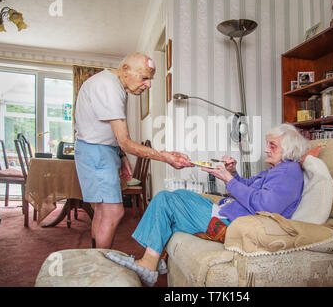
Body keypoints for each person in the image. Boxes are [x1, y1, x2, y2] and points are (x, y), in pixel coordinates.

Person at [105, 123, 311, 286]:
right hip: (227, 210)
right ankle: (155, 255)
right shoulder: (276, 171)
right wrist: (231, 173)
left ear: (289, 149)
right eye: (267, 143)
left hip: (230, 222)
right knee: (179, 194)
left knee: (164, 200)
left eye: (272, 145)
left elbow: (264, 205)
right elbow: (248, 186)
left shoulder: (289, 172)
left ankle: (149, 264)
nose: (266, 149)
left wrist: (229, 180)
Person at [74, 52, 193, 249]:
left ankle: (97, 258)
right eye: (144, 78)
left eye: (150, 79)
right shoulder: (109, 86)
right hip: (96, 152)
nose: (149, 84)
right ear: (126, 70)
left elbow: (113, 135)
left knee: (103, 211)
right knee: (113, 212)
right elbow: (125, 141)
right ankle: (102, 264)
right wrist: (165, 156)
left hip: (100, 151)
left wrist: (121, 157)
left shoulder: (115, 84)